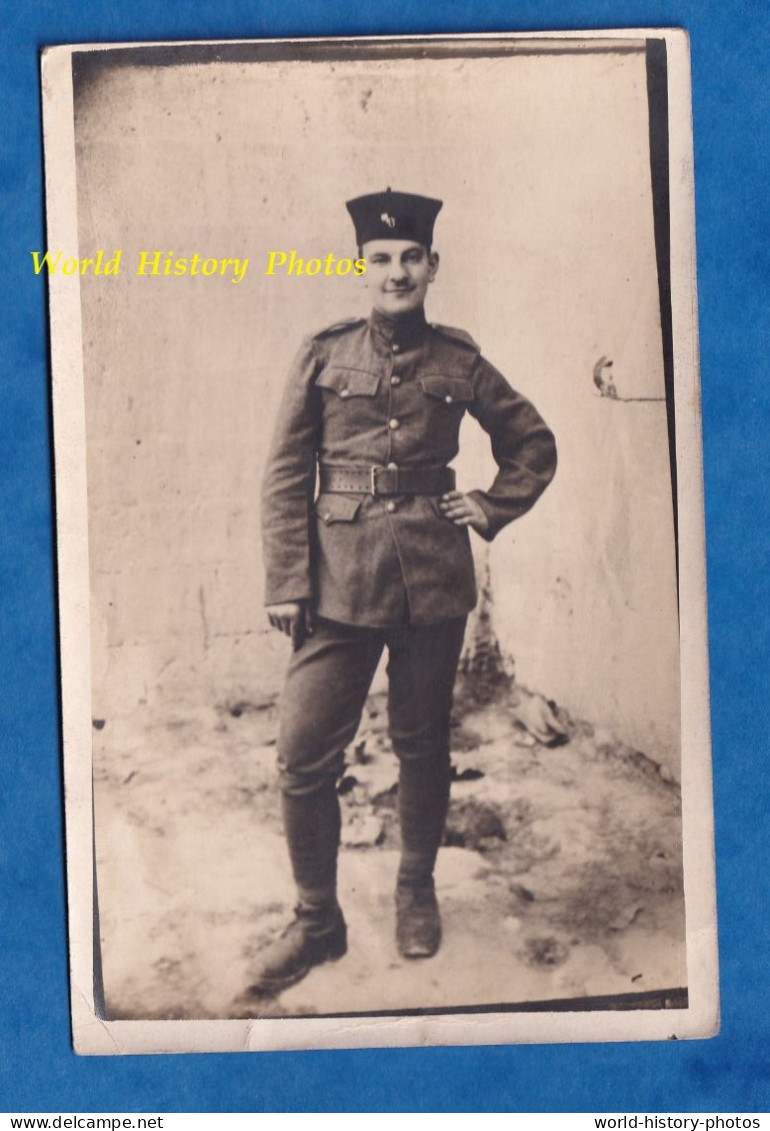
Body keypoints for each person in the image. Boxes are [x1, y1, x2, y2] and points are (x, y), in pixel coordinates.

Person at [253, 188, 557, 994]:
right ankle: (317, 921)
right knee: (302, 757)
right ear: (363, 268)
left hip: (432, 579)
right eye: (382, 260)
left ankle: (415, 885)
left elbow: (530, 441)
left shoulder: (458, 361)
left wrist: (490, 505)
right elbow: (285, 473)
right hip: (337, 581)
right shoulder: (323, 351)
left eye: (411, 259)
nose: (397, 272)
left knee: (423, 743)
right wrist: (287, 580)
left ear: (431, 266)